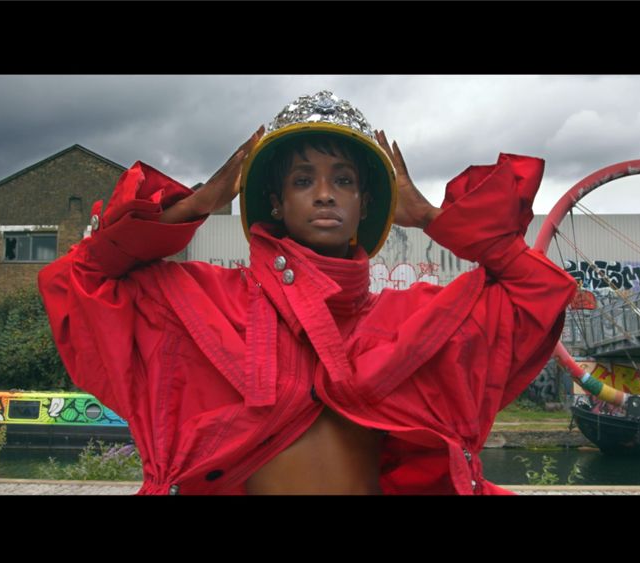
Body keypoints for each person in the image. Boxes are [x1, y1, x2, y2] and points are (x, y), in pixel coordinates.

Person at [38, 90, 577, 494]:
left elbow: (534, 291)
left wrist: (433, 218)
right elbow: (82, 279)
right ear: (275, 202)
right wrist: (196, 204)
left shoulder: (412, 316)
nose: (324, 194)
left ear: (367, 204)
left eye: (343, 180)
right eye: (303, 180)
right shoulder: (199, 301)